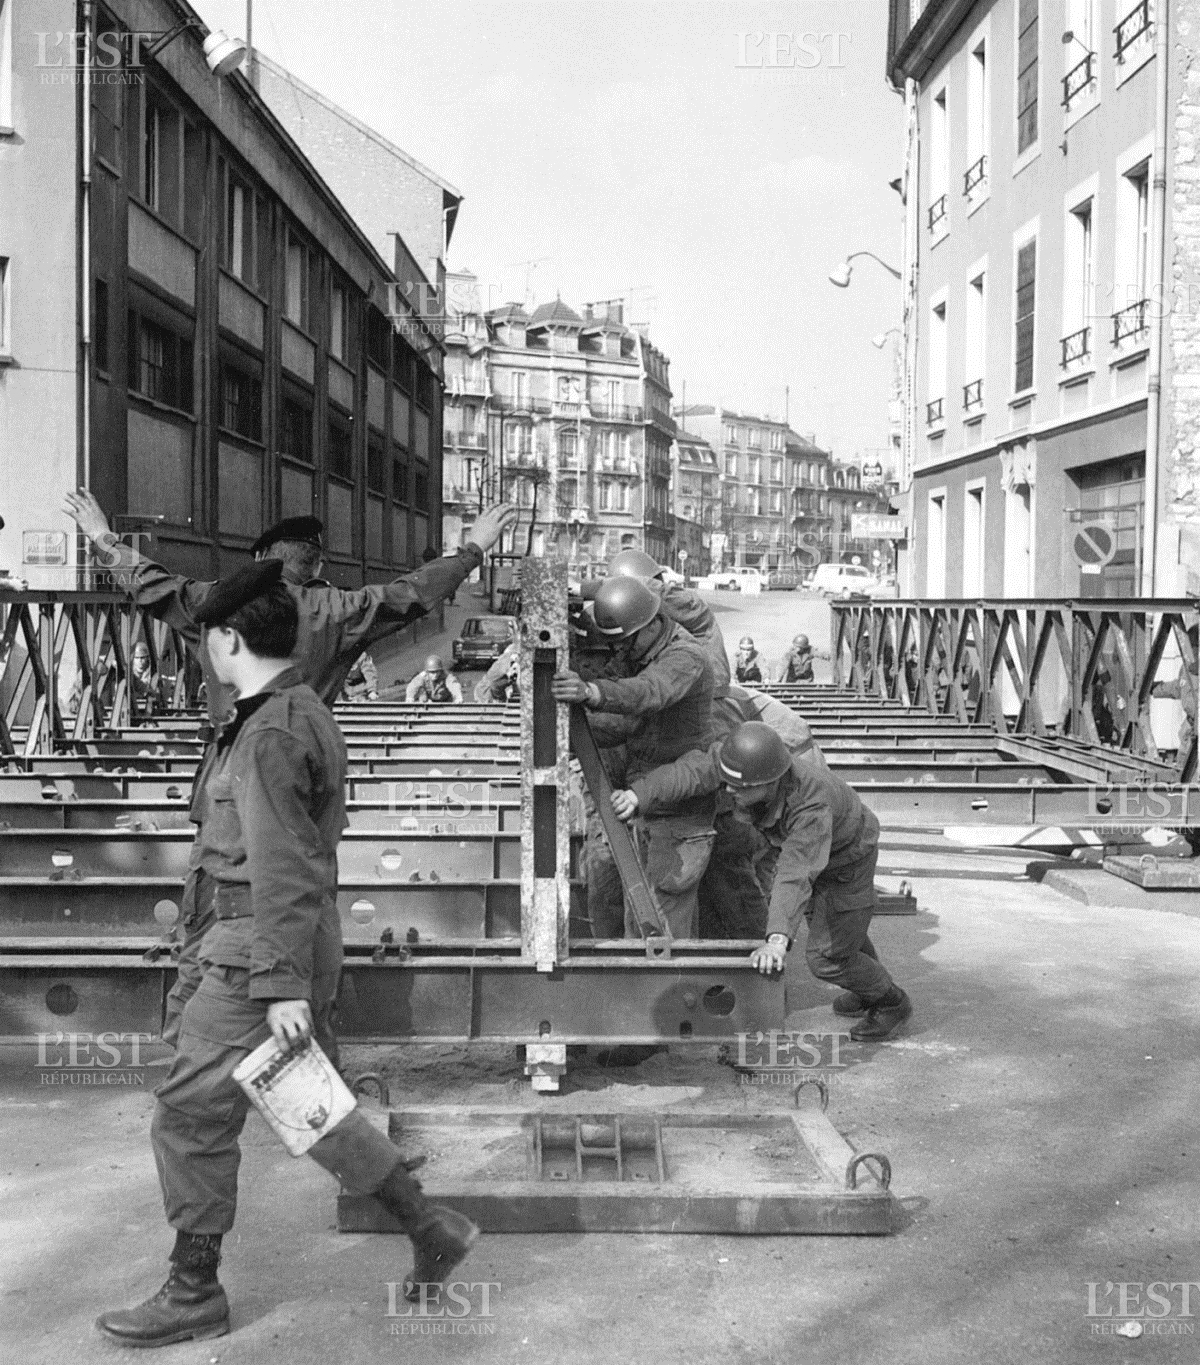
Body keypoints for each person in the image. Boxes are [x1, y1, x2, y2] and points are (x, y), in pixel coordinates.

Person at [94, 563, 477, 1349]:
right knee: (300, 1094)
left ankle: (194, 1287)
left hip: (253, 946)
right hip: (246, 938)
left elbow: (281, 862)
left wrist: (277, 983)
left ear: (227, 639)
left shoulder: (268, 732)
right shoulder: (291, 708)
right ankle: (428, 1224)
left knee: (188, 1113)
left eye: (208, 639)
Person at [62, 491, 516, 1049]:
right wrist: (471, 551)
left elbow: (157, 587)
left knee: (210, 923)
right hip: (306, 786)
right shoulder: (334, 611)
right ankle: (297, 1047)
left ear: (262, 558)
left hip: (228, 791)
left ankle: (211, 1050)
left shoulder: (220, 607)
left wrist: (105, 540)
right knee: (302, 904)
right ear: (315, 562)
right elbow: (409, 595)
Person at [610, 722, 911, 1042]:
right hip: (819, 844)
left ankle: (889, 1002)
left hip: (847, 858)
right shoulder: (743, 760)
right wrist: (638, 794)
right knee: (838, 927)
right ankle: (865, 982)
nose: (728, 791)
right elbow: (692, 771)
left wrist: (777, 940)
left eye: (740, 788)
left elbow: (795, 874)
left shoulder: (810, 804)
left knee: (826, 957)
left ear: (769, 782)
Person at [551, 575, 715, 939]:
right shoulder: (644, 647)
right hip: (648, 807)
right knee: (641, 921)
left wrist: (591, 692)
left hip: (679, 812)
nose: (623, 650)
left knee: (662, 928)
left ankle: (667, 993)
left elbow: (648, 692)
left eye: (627, 641)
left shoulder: (684, 656)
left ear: (652, 622)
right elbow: (625, 725)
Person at [580, 546, 730, 690]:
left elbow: (651, 589)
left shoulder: (688, 604)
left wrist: (588, 587)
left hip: (710, 692)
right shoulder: (655, 621)